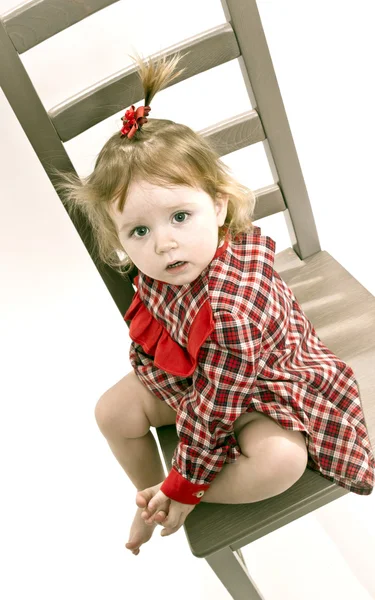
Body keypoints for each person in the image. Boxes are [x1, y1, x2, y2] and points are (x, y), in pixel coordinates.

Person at [57, 52, 375, 556]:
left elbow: (215, 408)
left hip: (261, 386)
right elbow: (156, 347)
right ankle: (154, 499)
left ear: (219, 204)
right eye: (139, 230)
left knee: (279, 463)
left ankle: (184, 499)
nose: (164, 244)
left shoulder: (233, 307)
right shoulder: (167, 269)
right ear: (119, 239)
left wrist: (188, 482)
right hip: (201, 376)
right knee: (111, 412)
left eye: (180, 216)